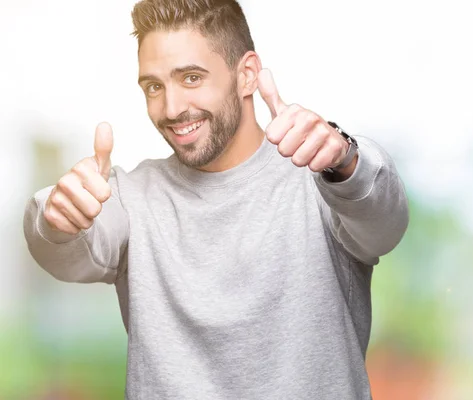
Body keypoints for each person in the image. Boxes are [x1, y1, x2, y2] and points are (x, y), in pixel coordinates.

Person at [22, 0, 409, 399]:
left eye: (191, 78)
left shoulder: (322, 181)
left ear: (247, 75)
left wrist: (345, 160)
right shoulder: (131, 197)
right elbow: (66, 255)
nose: (171, 109)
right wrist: (55, 218)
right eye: (154, 86)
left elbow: (385, 224)